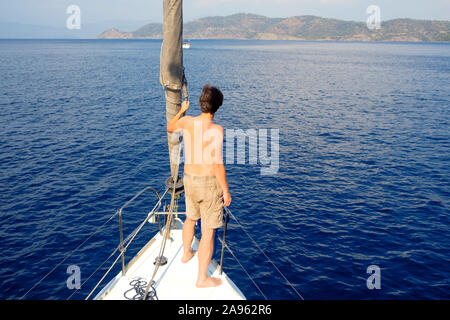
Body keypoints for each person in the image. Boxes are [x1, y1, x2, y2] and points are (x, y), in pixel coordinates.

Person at [167, 84, 231, 288]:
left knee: (190, 218)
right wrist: (226, 191)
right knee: (208, 231)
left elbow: (169, 127)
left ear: (200, 103)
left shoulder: (186, 122)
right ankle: (202, 279)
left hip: (189, 179)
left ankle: (186, 254)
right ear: (217, 107)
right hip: (208, 184)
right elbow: (218, 164)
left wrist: (180, 111)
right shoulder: (217, 130)